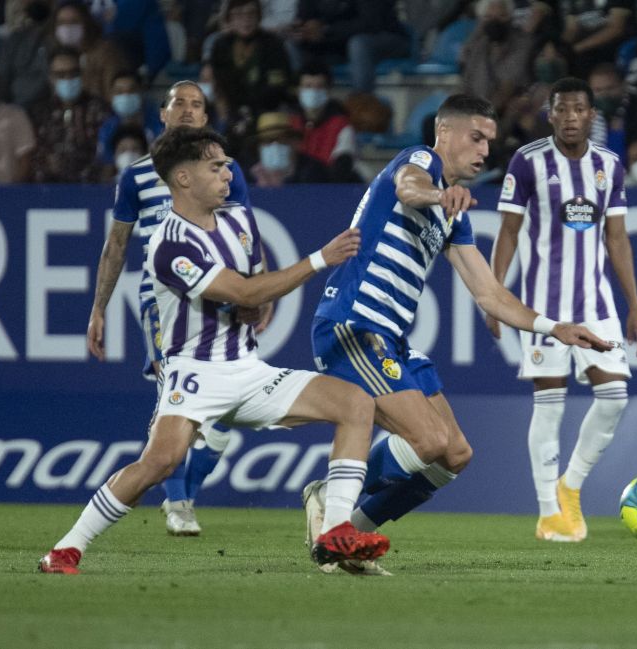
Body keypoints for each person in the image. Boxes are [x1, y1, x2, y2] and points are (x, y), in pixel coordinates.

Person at [39, 126, 389, 575]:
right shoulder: (169, 243)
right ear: (183, 179)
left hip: (248, 368)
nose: (228, 173)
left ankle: (336, 530)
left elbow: (253, 293)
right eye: (216, 166)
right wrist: (319, 259)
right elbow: (241, 289)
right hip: (195, 373)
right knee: (159, 464)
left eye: (226, 164)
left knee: (356, 403)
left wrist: (253, 306)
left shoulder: (239, 220)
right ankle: (67, 549)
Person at [303, 93, 613, 574]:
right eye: (476, 137)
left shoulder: (454, 215)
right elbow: (409, 188)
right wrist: (436, 193)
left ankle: (349, 535)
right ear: (444, 133)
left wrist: (558, 328)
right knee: (426, 441)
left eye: (490, 141)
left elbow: (490, 295)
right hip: (355, 323)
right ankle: (332, 498)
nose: (485, 150)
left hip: (394, 339)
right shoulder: (419, 161)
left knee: (453, 455)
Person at [86, 80, 257, 537]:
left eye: (196, 104)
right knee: (175, 401)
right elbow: (117, 243)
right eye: (177, 103)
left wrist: (257, 295)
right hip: (162, 304)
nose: (186, 110)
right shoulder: (137, 175)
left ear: (205, 118)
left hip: (218, 297)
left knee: (218, 424)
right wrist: (98, 307)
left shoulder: (227, 173)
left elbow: (245, 239)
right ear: (161, 114)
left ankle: (184, 491)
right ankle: (178, 500)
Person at [488, 77, 637, 542]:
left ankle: (569, 486)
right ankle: (547, 513)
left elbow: (616, 238)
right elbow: (509, 232)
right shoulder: (528, 161)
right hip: (543, 311)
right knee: (549, 406)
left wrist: (634, 304)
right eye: (562, 109)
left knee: (615, 397)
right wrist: (495, 296)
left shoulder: (609, 166)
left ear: (592, 114)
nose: (572, 117)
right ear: (551, 114)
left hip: (597, 306)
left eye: (580, 109)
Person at [29, 47, 110, 183]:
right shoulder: (40, 112)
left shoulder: (100, 109)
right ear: (51, 78)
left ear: (82, 74)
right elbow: (33, 154)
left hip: (91, 189)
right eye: (61, 74)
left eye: (74, 73)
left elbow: (106, 153)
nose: (68, 79)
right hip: (48, 189)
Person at [249, 110, 332, 187]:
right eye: (268, 141)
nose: (275, 145)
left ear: (295, 143)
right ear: (259, 147)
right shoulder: (249, 176)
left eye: (281, 140)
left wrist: (282, 185)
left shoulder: (315, 171)